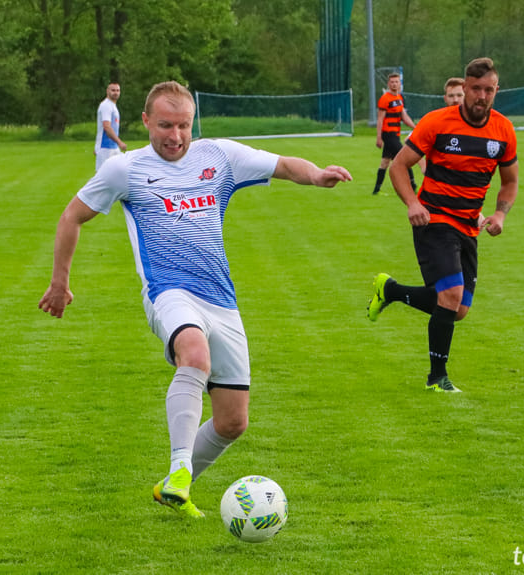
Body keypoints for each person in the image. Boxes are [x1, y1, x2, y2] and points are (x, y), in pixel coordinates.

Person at [39, 81, 351, 517]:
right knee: (193, 353)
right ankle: (180, 468)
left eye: (183, 125)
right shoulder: (125, 169)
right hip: (167, 292)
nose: (175, 136)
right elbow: (73, 215)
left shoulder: (218, 156)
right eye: (165, 125)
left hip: (220, 298)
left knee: (232, 422)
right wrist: (59, 282)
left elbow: (282, 165)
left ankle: (172, 485)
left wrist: (317, 174)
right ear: (146, 121)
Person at [366, 57, 519, 393]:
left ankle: (390, 290)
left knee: (459, 309)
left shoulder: (504, 130)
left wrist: (500, 215)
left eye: (488, 90)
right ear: (464, 88)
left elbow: (509, 182)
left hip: (469, 225)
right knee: (450, 295)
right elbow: (399, 166)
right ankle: (437, 378)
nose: (481, 96)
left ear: (496, 91)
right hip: (434, 220)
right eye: (475, 89)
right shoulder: (437, 122)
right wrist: (413, 203)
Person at [372, 73, 416, 195]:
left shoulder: (399, 99)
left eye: (396, 82)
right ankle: (413, 185)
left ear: (400, 84)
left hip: (396, 134)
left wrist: (416, 127)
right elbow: (380, 119)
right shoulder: (385, 99)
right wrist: (379, 137)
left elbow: (404, 117)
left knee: (385, 162)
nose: (394, 84)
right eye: (392, 82)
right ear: (388, 84)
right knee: (404, 158)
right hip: (388, 134)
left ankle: (376, 189)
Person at [419, 77, 466, 174]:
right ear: (445, 98)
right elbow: (409, 141)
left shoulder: (475, 122)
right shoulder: (435, 120)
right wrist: (423, 166)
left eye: (459, 95)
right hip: (438, 186)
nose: (455, 100)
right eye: (451, 96)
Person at [95, 82, 127, 170]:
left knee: (120, 172)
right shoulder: (106, 105)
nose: (116, 92)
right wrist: (119, 142)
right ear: (107, 91)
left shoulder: (112, 106)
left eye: (118, 90)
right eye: (113, 90)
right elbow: (107, 127)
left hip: (113, 147)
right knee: (103, 177)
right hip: (105, 147)